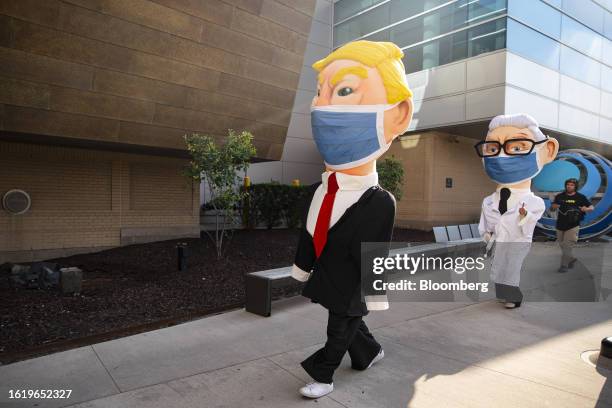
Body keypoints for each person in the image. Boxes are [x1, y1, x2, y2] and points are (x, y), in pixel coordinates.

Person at [291, 40, 413, 399]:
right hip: (328, 274)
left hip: (353, 283)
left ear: (398, 116)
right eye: (319, 94)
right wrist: (302, 267)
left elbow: (376, 254)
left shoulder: (379, 202)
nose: (321, 104)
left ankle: (324, 375)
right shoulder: (318, 189)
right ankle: (369, 352)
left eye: (344, 90)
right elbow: (309, 232)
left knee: (339, 325)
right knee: (349, 324)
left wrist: (374, 296)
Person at [476, 114, 559, 309]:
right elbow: (485, 223)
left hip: (517, 241)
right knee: (497, 267)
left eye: (517, 147)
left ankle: (514, 296)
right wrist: (486, 235)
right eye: (493, 149)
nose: (501, 156)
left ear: (547, 151)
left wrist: (523, 215)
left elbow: (529, 222)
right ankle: (502, 292)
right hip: (497, 241)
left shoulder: (534, 201)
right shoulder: (489, 201)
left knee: (511, 267)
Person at [550, 178, 594, 272]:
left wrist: (587, 209)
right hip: (560, 225)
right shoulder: (560, 196)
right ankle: (571, 258)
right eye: (568, 184)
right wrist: (553, 206)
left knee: (567, 245)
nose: (569, 186)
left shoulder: (580, 197)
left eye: (572, 185)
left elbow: (591, 206)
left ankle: (564, 265)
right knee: (562, 245)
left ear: (575, 186)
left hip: (573, 225)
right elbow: (552, 208)